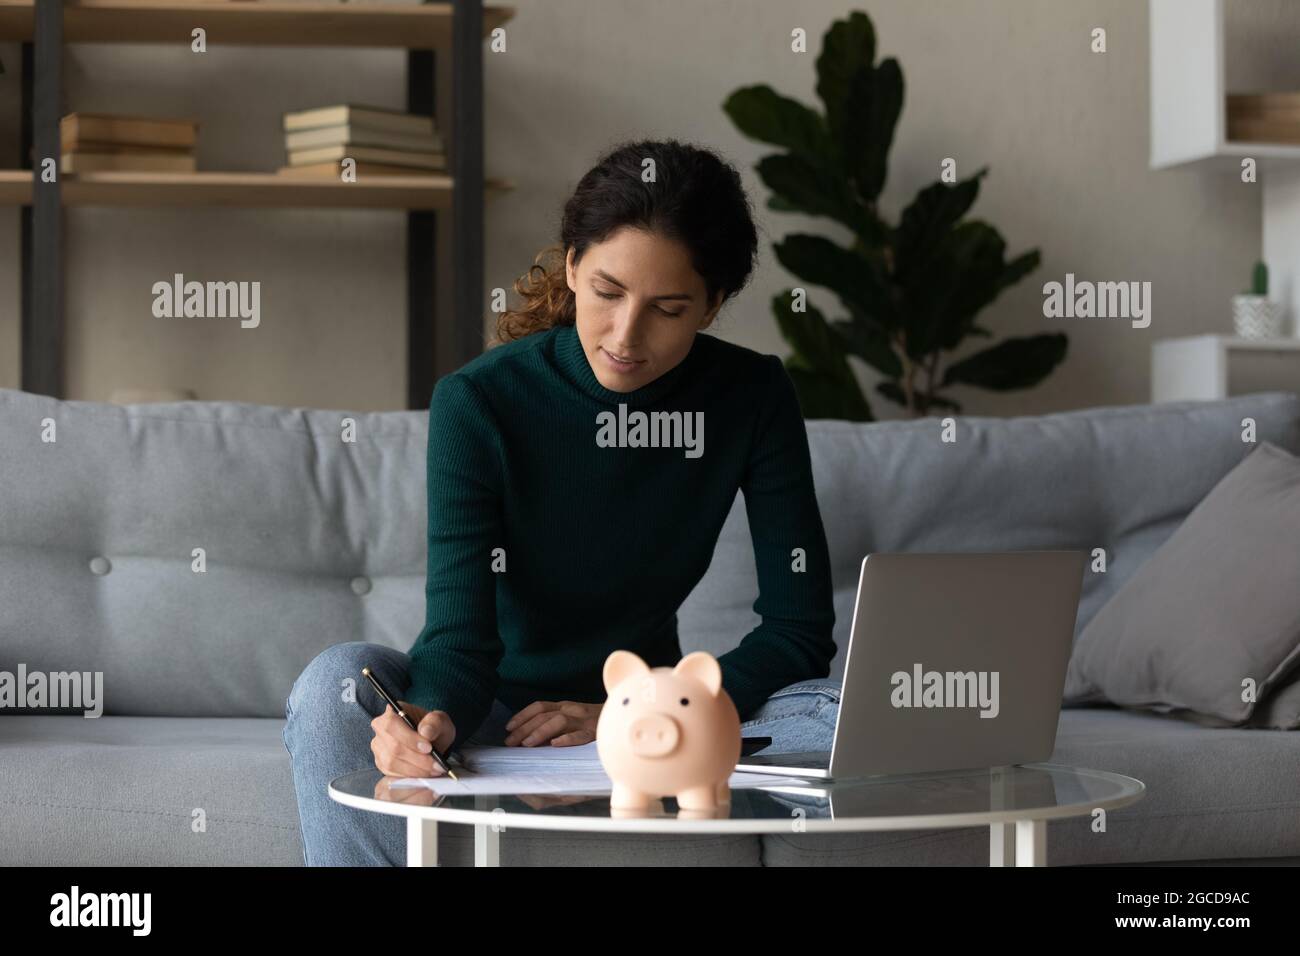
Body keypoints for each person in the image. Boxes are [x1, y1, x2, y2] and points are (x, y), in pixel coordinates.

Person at [284, 138, 842, 865]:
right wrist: (425, 716)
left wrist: (626, 710)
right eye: (607, 292)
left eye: (667, 308)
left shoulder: (751, 396)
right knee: (333, 685)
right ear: (573, 264)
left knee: (843, 715)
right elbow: (461, 637)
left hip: (656, 721)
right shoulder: (479, 402)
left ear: (712, 306)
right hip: (494, 717)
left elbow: (799, 631)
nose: (625, 336)